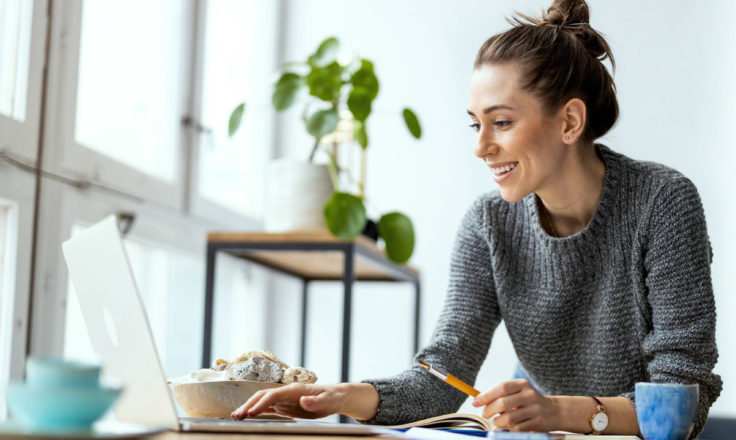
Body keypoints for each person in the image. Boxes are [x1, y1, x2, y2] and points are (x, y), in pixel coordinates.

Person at [231, 0, 722, 436]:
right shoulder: (488, 224)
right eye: (476, 123)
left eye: (501, 122)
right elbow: (444, 377)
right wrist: (341, 399)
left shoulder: (662, 202)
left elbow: (681, 403)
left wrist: (556, 412)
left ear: (569, 121)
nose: (481, 146)